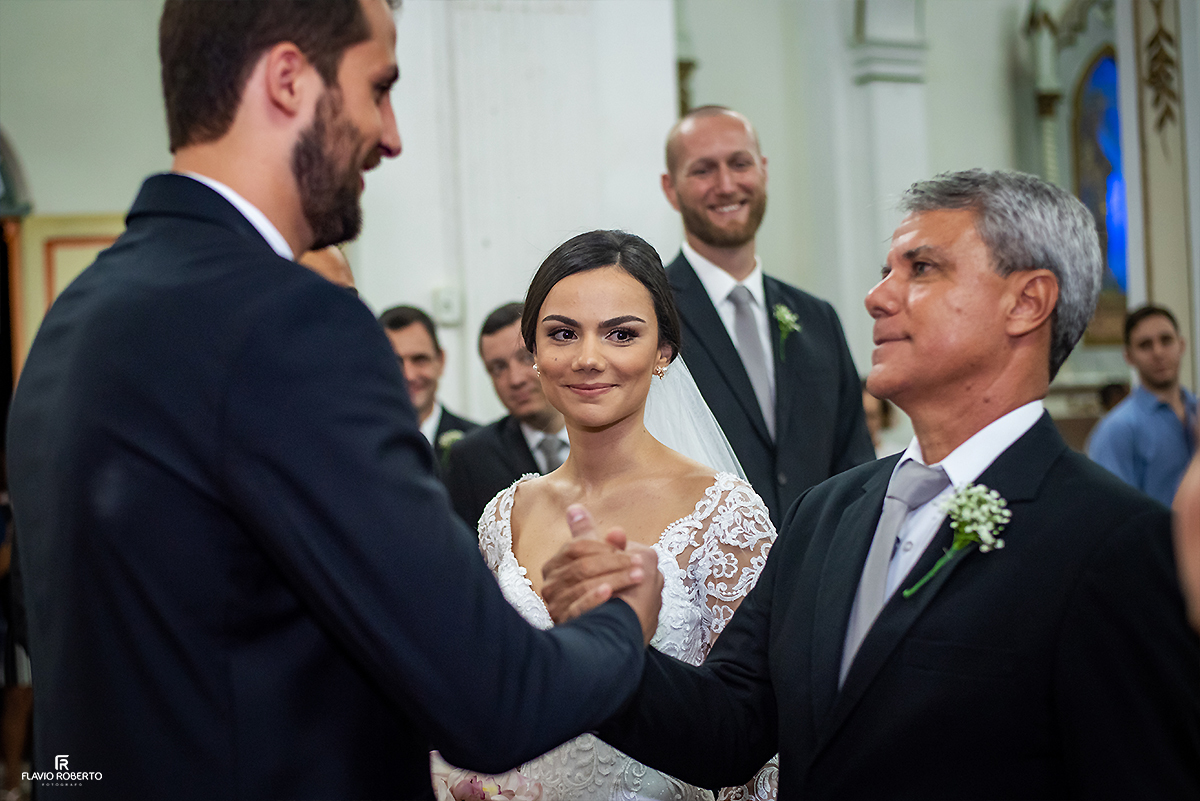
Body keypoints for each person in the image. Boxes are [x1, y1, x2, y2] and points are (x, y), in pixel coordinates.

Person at [4, 2, 662, 797]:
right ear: (288, 79)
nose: (391, 136)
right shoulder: (285, 321)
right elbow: (494, 699)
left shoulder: (77, 314)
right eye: (377, 88)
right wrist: (622, 621)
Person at [545, 169, 1200, 798]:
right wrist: (614, 645)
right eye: (888, 269)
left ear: (1026, 302)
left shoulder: (1116, 543)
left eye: (921, 268)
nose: (876, 295)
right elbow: (729, 729)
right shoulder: (825, 514)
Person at [441, 230, 778, 801]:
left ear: (663, 353)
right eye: (563, 334)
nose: (588, 358)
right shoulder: (505, 516)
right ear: (536, 356)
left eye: (621, 334)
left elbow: (750, 742)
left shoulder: (725, 513)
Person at [660, 106, 874, 525]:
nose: (726, 185)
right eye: (703, 170)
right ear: (671, 189)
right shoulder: (648, 315)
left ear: (763, 170)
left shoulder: (817, 318)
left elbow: (854, 464)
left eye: (740, 164)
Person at [443, 302, 568, 527]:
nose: (515, 379)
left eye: (526, 357)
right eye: (498, 368)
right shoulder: (471, 458)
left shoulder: (608, 435)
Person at [1088, 304, 1196, 506]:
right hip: (1156, 538)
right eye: (1145, 345)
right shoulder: (1117, 429)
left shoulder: (1196, 410)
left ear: (1181, 345)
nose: (1158, 352)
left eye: (1166, 340)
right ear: (1129, 356)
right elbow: (1113, 512)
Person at [379, 304, 479, 465]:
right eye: (395, 362)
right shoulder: (359, 443)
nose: (409, 375)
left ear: (441, 360)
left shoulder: (479, 443)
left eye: (420, 359)